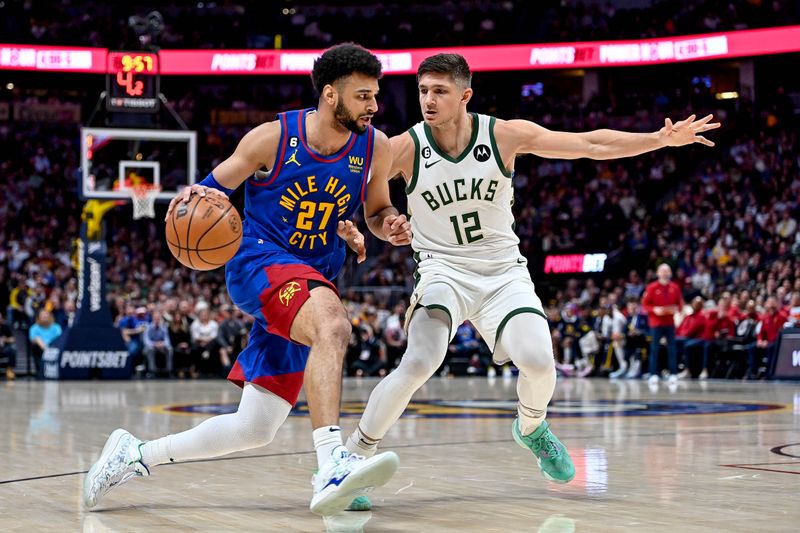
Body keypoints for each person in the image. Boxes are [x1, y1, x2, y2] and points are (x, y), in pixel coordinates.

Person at [344, 53, 719, 486]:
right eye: (423, 90)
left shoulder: (503, 135)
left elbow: (589, 145)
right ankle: (352, 458)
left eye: (440, 91)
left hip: (503, 273)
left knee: (541, 363)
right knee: (418, 362)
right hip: (443, 270)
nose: (428, 99)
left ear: (465, 95)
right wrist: (387, 224)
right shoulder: (403, 147)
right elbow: (368, 202)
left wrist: (659, 139)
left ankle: (531, 428)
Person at [84, 43, 412, 517]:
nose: (374, 106)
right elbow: (206, 192)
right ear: (330, 95)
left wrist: (388, 227)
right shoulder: (273, 138)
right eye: (363, 96)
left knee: (255, 427)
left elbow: (378, 210)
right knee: (333, 326)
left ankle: (134, 454)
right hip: (259, 263)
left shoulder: (375, 146)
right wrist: (190, 220)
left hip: (311, 278)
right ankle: (332, 465)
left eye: (375, 95)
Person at [642, 264, 685, 384]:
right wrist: (655, 310)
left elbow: (680, 304)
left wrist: (677, 309)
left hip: (669, 322)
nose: (665, 273)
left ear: (670, 273)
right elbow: (645, 305)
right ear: (658, 273)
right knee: (654, 348)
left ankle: (673, 373)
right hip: (656, 322)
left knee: (672, 348)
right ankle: (653, 374)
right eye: (663, 271)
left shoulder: (675, 287)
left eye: (667, 271)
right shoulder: (651, 287)